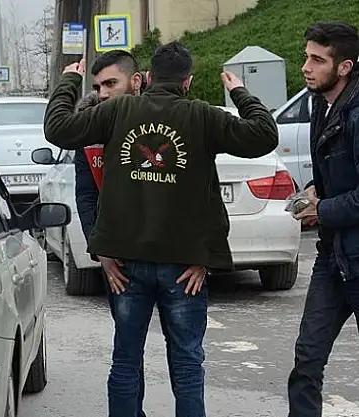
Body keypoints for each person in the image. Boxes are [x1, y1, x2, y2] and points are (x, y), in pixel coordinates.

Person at [43, 41, 278, 417]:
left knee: (125, 359)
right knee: (186, 363)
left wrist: (70, 81)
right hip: (184, 267)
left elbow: (57, 129)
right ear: (188, 82)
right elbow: (264, 135)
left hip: (125, 264)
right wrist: (239, 92)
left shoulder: (118, 110)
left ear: (149, 77)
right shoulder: (203, 116)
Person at [287, 21, 359, 417]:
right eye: (306, 57)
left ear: (344, 67)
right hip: (332, 257)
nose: (306, 67)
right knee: (307, 360)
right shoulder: (321, 104)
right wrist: (316, 190)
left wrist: (322, 209)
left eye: (317, 60)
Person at [72, 50, 147, 417]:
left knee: (185, 353)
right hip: (118, 258)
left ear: (136, 82)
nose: (103, 93)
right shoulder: (90, 131)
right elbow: (86, 197)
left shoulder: (161, 120)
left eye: (111, 84)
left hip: (167, 251)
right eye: (98, 86)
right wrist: (100, 250)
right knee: (128, 350)